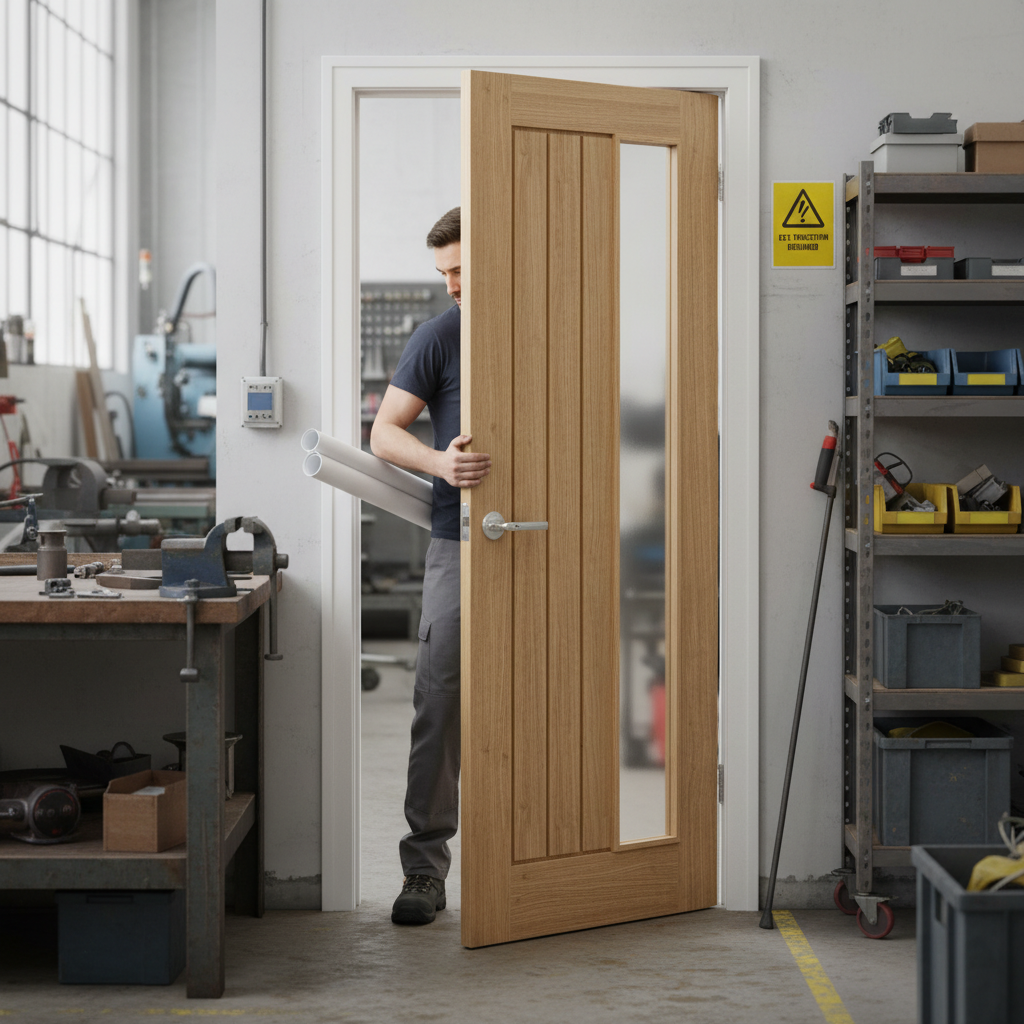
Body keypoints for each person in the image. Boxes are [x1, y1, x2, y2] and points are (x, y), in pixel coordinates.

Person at [370, 207, 490, 925]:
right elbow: (384, 432)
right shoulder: (441, 337)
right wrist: (440, 462)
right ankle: (424, 870)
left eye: (460, 271)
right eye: (442, 273)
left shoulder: (554, 326)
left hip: (550, 543)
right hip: (460, 542)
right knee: (439, 702)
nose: (450, 287)